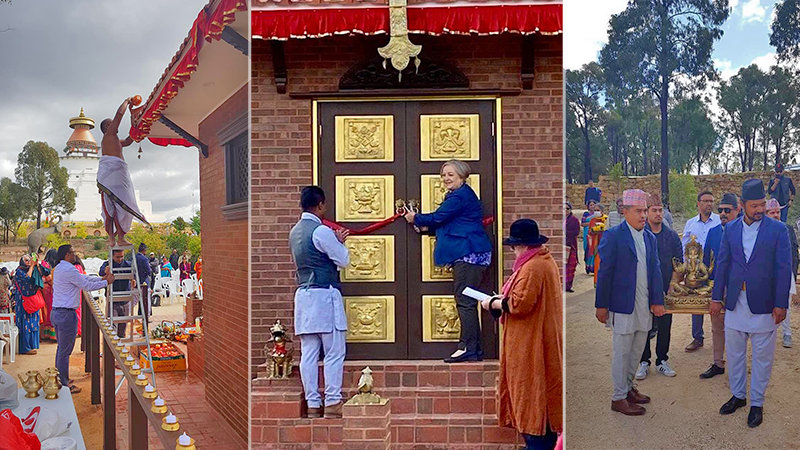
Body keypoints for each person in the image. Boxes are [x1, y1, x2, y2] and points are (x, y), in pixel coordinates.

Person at [712, 179, 791, 428]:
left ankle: (756, 402)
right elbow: (722, 264)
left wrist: (781, 304)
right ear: (743, 204)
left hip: (765, 304)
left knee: (762, 358)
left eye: (762, 205)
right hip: (736, 302)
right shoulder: (731, 229)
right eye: (754, 205)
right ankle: (738, 396)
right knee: (734, 354)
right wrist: (716, 297)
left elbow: (783, 268)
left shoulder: (778, 230)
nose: (759, 209)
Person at [481, 219, 562, 450]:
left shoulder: (532, 267)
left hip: (531, 344)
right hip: (537, 338)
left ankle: (536, 441)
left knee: (531, 396)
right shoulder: (543, 261)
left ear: (523, 246)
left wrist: (493, 304)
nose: (513, 251)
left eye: (514, 246)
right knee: (539, 397)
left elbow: (520, 303)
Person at [403, 159, 493, 363]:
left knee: (465, 302)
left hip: (469, 253)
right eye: (444, 175)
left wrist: (415, 217)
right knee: (467, 301)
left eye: (450, 174)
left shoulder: (459, 196)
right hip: (470, 253)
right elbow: (448, 222)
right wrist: (426, 227)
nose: (446, 179)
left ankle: (467, 347)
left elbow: (438, 217)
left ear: (461, 175)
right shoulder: (460, 195)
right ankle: (474, 348)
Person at [595, 189, 665, 416]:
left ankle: (627, 388)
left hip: (644, 304)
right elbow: (604, 272)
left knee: (637, 350)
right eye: (638, 211)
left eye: (645, 210)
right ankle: (618, 397)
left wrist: (657, 300)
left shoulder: (649, 238)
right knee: (623, 351)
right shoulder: (613, 236)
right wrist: (601, 305)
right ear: (625, 212)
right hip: (622, 304)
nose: (643, 215)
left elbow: (655, 270)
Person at [290, 186, 350, 419]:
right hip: (324, 293)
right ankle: (333, 400)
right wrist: (339, 242)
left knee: (309, 351)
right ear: (321, 205)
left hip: (304, 295)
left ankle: (313, 402)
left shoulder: (294, 231)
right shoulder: (321, 231)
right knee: (334, 350)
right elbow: (343, 260)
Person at [52, 244, 112, 394]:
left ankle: (61, 377)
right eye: (72, 252)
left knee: (62, 349)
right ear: (66, 255)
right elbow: (85, 284)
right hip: (66, 315)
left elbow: (83, 278)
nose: (74, 255)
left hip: (58, 312)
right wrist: (106, 282)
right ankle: (63, 384)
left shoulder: (60, 268)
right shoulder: (69, 269)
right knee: (64, 351)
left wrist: (100, 279)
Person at [637, 193, 682, 380]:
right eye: (653, 210)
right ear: (646, 213)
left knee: (665, 325)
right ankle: (643, 361)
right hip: (643, 287)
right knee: (644, 326)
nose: (657, 214)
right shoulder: (639, 234)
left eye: (660, 210)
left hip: (665, 287)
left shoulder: (671, 236)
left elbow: (678, 263)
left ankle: (662, 360)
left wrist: (673, 283)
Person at [98, 98, 150, 248]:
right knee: (113, 207)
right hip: (112, 175)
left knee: (124, 206)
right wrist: (127, 102)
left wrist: (134, 120)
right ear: (107, 127)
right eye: (110, 123)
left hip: (117, 176)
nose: (113, 124)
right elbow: (118, 115)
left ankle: (119, 238)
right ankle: (113, 239)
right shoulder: (108, 136)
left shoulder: (114, 140)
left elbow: (129, 141)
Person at [699, 193, 741, 379]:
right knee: (717, 327)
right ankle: (718, 363)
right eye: (721, 210)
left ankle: (736, 367)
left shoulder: (745, 231)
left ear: (737, 210)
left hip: (739, 289)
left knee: (737, 329)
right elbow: (706, 262)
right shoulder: (713, 232)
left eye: (727, 210)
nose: (723, 213)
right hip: (717, 287)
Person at [682, 191, 721, 353]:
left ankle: (719, 338)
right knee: (696, 303)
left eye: (711, 201)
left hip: (716, 268)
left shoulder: (720, 221)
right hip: (696, 271)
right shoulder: (691, 224)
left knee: (717, 301)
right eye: (705, 201)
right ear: (698, 203)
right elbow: (684, 247)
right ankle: (697, 337)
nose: (709, 204)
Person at [766, 198, 798, 348]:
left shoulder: (788, 228)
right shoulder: (762, 231)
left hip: (786, 273)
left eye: (777, 212)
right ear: (766, 214)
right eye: (772, 212)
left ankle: (787, 334)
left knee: (786, 305)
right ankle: (767, 334)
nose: (775, 215)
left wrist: (793, 273)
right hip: (767, 275)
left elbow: (794, 253)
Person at [14, 254, 51, 355]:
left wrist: (37, 264)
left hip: (32, 302)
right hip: (23, 304)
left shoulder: (33, 269)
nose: (28, 262)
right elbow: (27, 279)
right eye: (26, 260)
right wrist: (31, 267)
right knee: (25, 325)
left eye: (29, 260)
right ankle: (25, 348)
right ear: (21, 261)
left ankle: (32, 345)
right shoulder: (19, 272)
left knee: (33, 324)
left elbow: (46, 272)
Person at [100, 250, 135, 338]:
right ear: (112, 256)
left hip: (125, 301)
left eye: (121, 256)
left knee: (122, 330)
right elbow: (101, 272)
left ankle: (121, 350)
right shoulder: (107, 264)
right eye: (117, 257)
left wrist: (134, 280)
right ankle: (110, 351)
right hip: (112, 302)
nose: (120, 259)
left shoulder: (128, 264)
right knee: (111, 329)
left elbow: (134, 276)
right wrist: (105, 271)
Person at [40, 249, 58, 341]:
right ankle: (52, 334)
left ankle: (45, 334)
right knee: (50, 310)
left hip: (44, 289)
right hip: (49, 289)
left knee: (45, 311)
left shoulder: (43, 264)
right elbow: (49, 278)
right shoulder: (51, 265)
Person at [588, 204, 607, 286]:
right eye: (595, 210)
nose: (596, 212)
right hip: (596, 244)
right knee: (597, 263)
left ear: (602, 211)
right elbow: (589, 232)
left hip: (606, 243)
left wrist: (602, 229)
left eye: (598, 210)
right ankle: (596, 282)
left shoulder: (606, 219)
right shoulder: (592, 220)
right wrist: (593, 230)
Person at [565, 202, 581, 293]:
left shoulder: (574, 220)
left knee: (571, 265)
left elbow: (576, 232)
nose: (565, 210)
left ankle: (568, 285)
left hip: (570, 246)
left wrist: (565, 233)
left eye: (567, 208)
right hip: (559, 246)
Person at [135, 243, 152, 323]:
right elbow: (148, 271)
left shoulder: (134, 257)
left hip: (135, 282)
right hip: (144, 282)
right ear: (144, 250)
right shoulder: (144, 259)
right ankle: (146, 317)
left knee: (135, 300)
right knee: (146, 300)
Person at [581, 201, 597, 274]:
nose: (592, 206)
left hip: (595, 234)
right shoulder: (586, 214)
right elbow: (582, 224)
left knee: (594, 249)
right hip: (587, 234)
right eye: (591, 205)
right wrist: (591, 223)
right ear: (588, 206)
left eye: (593, 205)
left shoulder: (597, 214)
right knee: (587, 249)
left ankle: (593, 267)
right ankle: (587, 266)